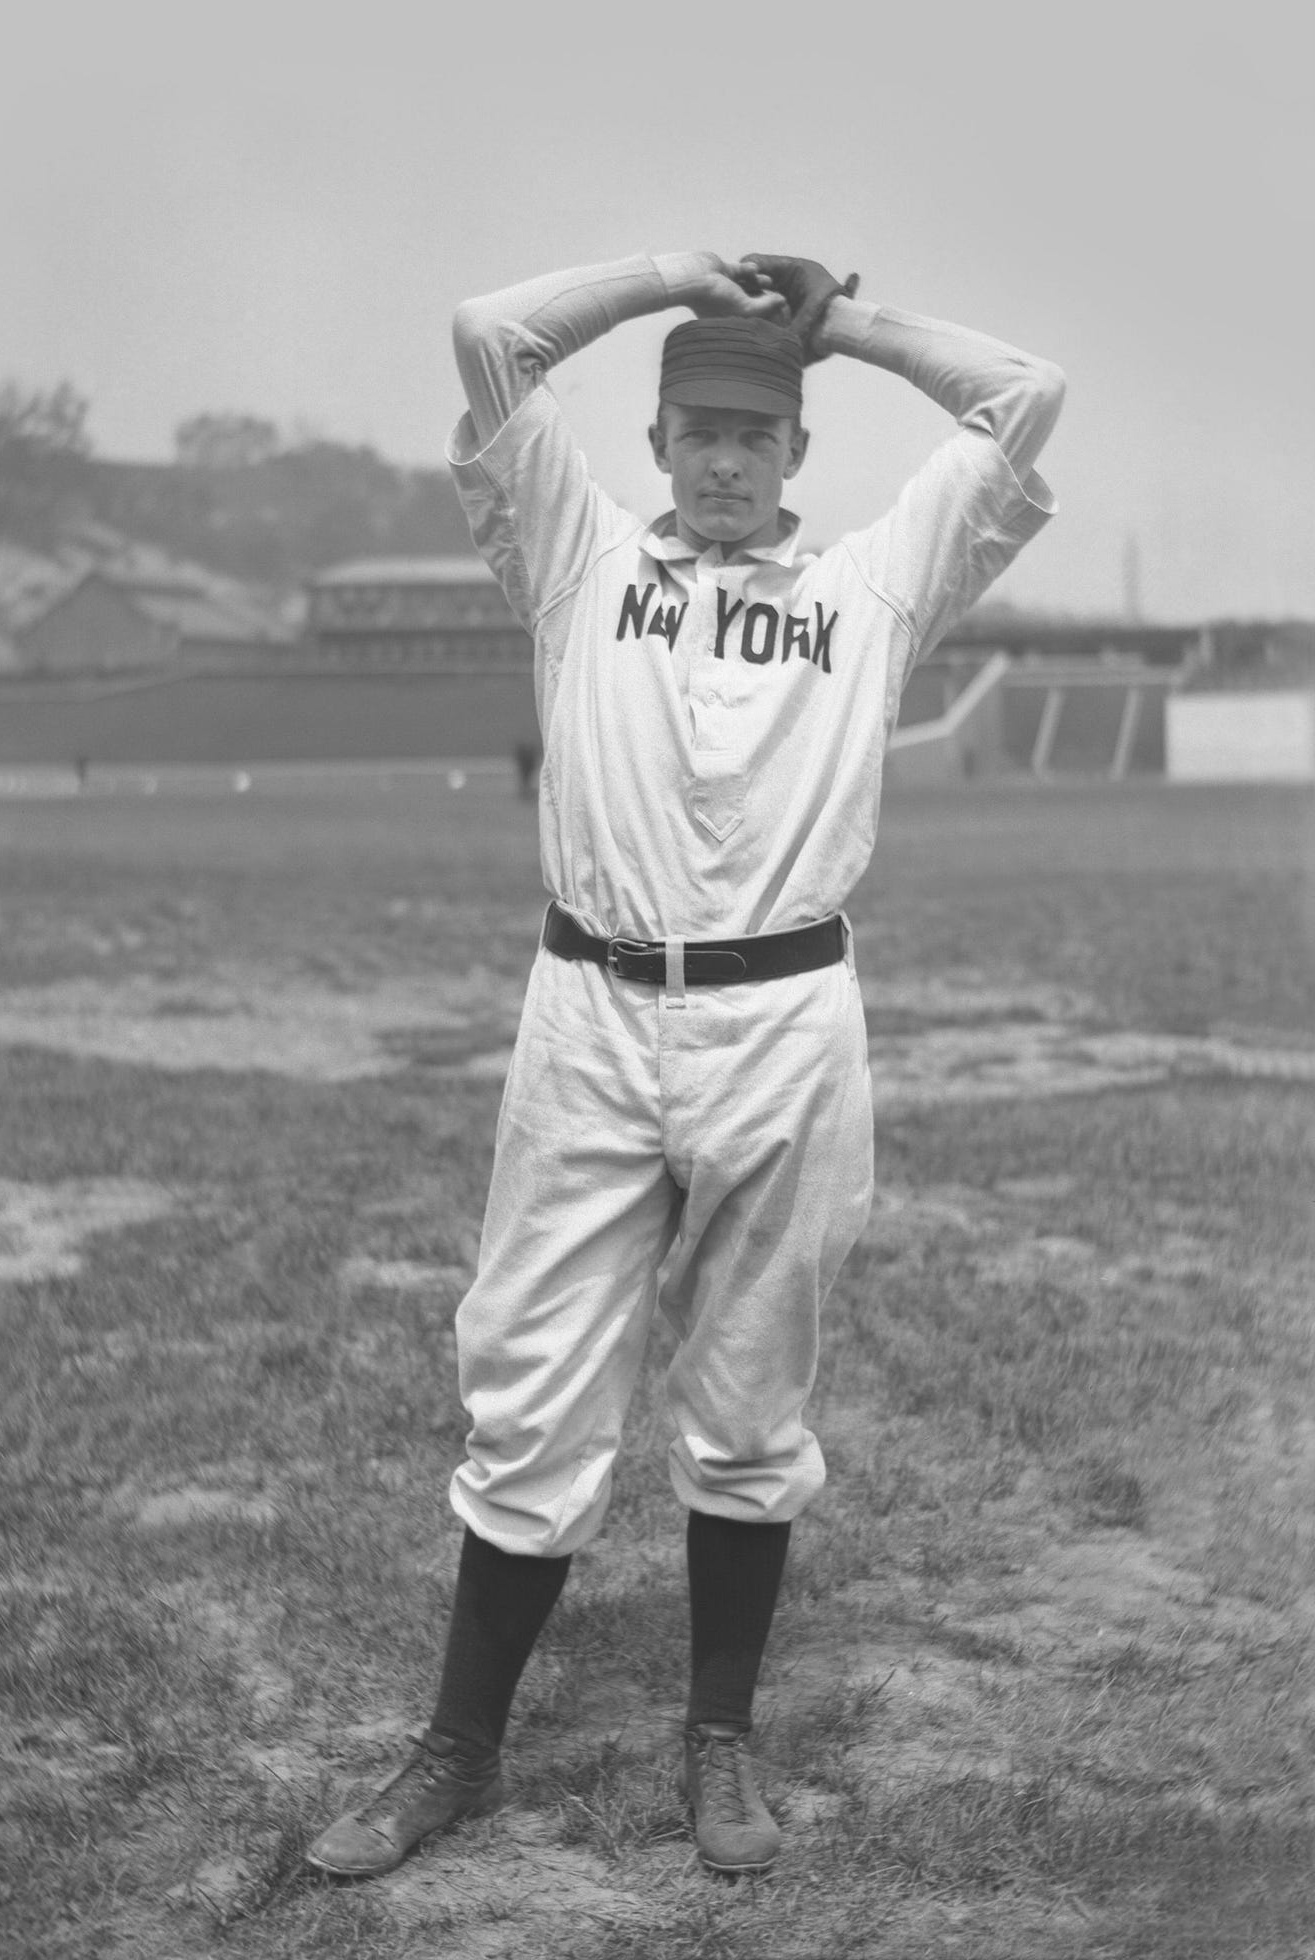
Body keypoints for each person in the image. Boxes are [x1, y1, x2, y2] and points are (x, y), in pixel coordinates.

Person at [306, 249, 1064, 1881]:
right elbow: (488, 340)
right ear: (653, 441)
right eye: (697, 429)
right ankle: (460, 1750)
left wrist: (839, 329)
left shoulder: (871, 590)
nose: (725, 459)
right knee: (526, 1391)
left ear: (799, 450)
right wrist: (667, 273)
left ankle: (718, 1745)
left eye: (757, 432)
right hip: (587, 1011)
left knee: (747, 1400)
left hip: (784, 1026)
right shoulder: (575, 558)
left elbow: (1025, 403)